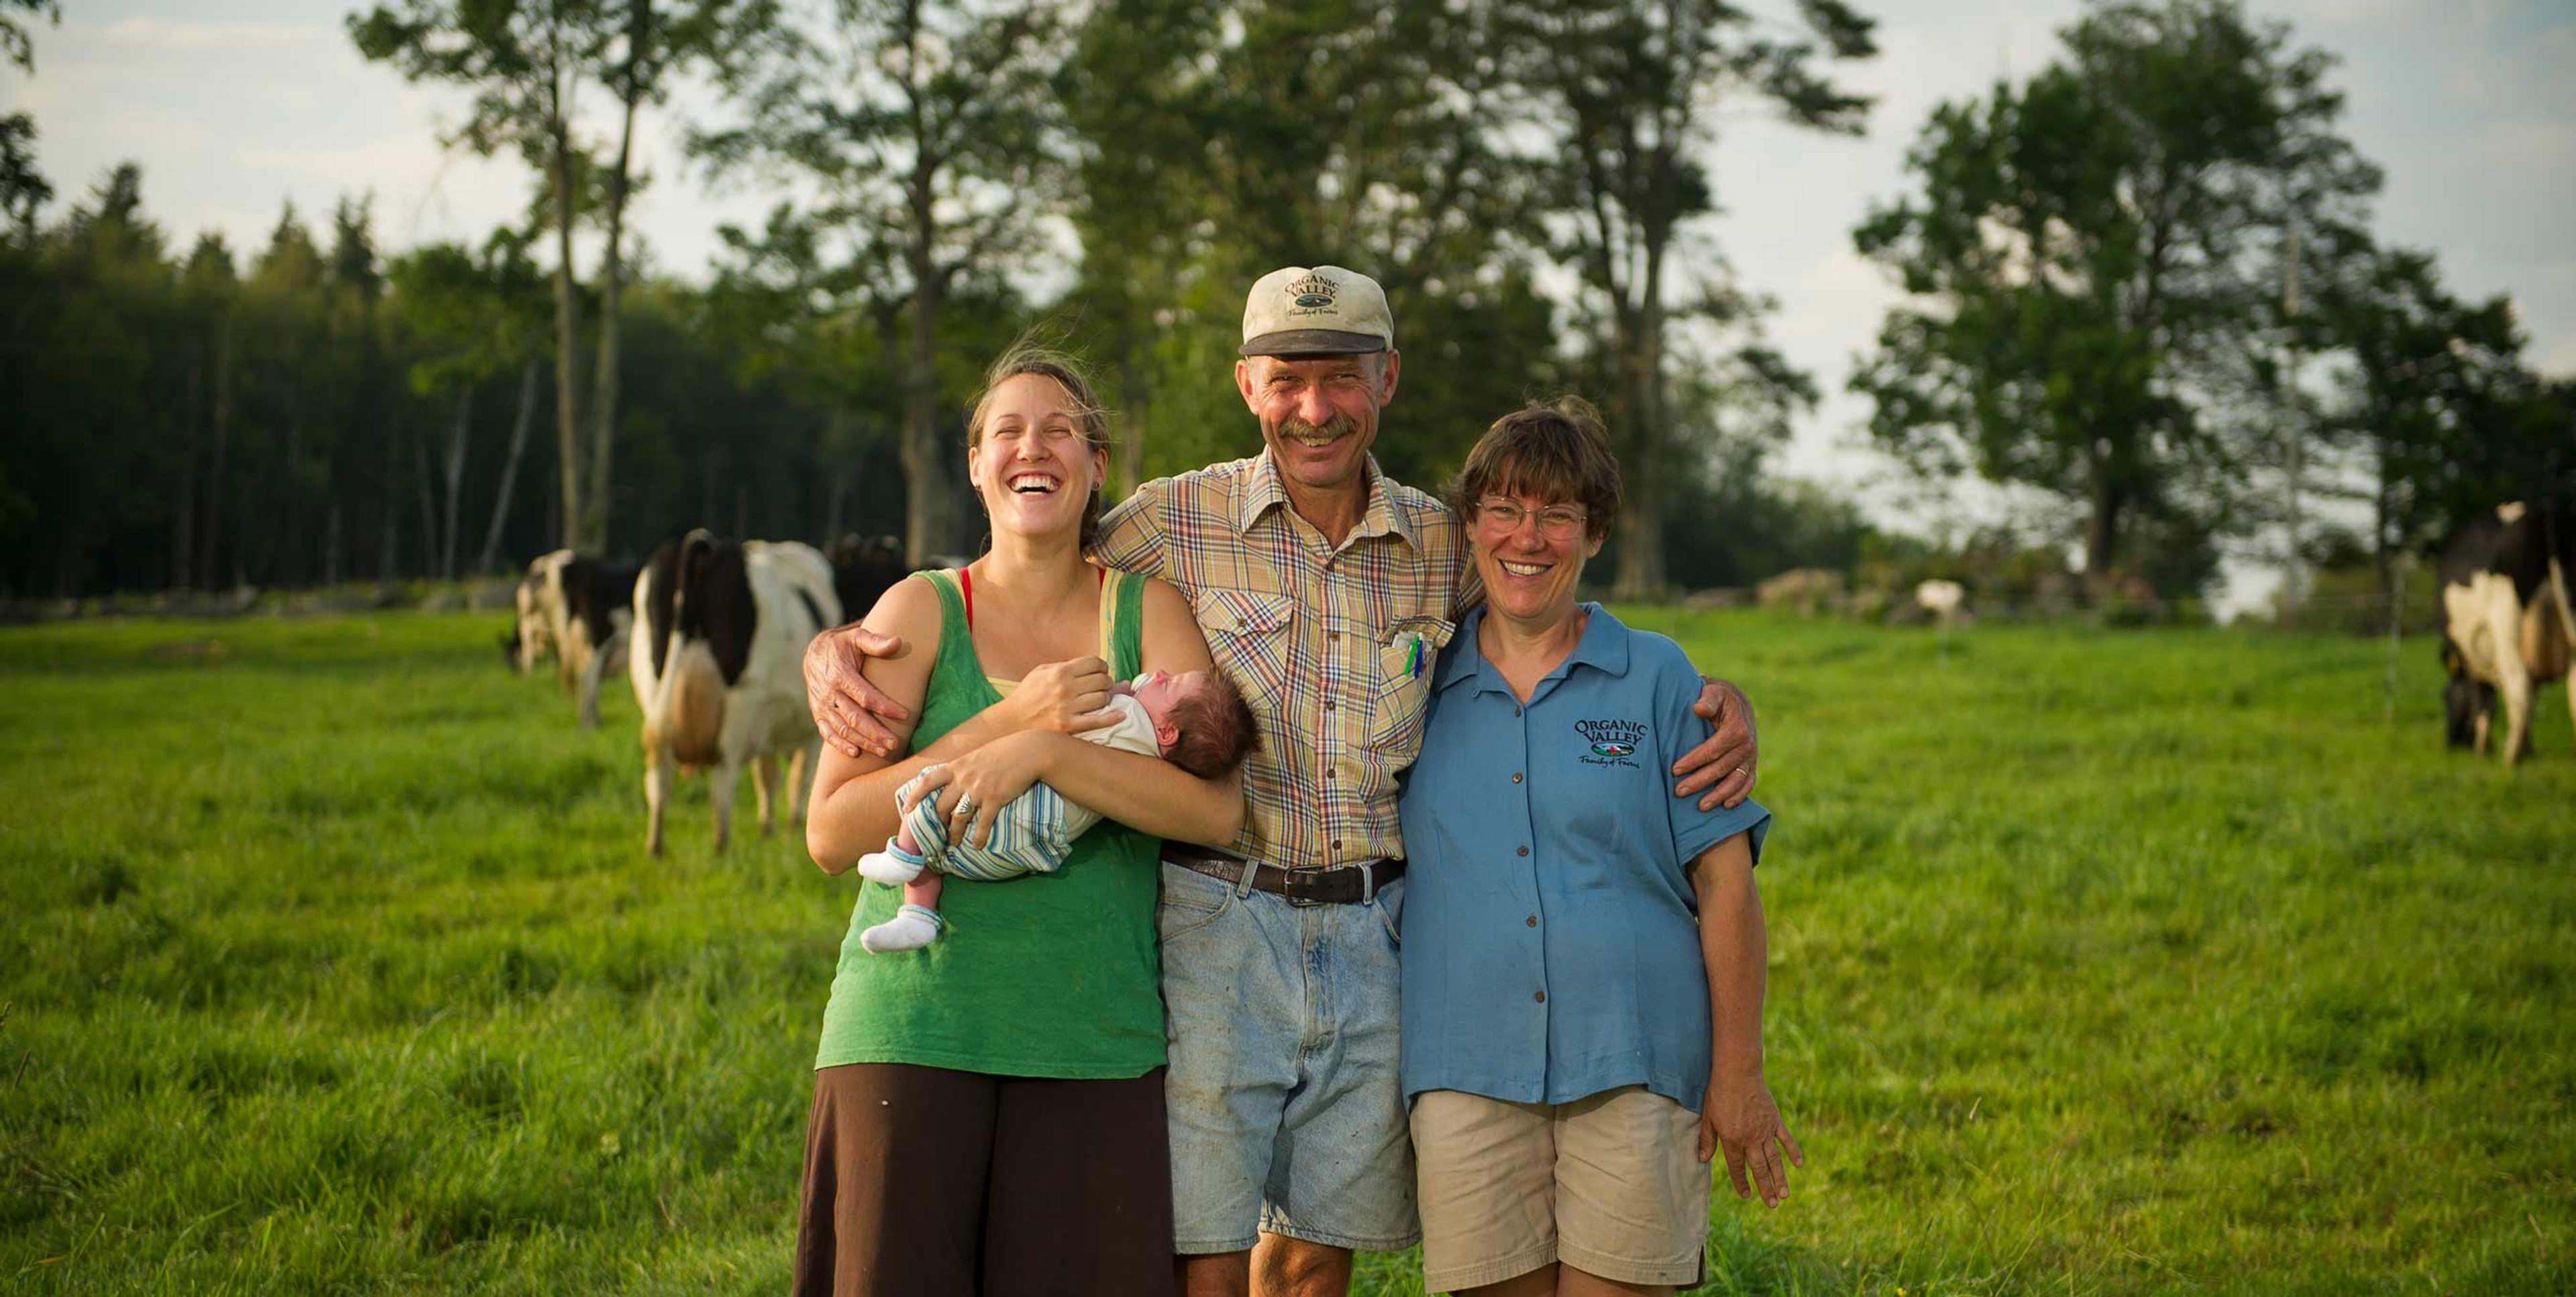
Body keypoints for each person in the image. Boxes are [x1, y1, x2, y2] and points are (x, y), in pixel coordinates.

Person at [802, 267, 1764, 1297]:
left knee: (1311, 1262)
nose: (1315, 408)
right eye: (1288, 379)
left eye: (1342, 377)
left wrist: (1704, 695)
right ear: (1246, 383)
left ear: (1385, 378)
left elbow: (1547, 598)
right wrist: (833, 646)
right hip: (1219, 913)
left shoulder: (1439, 540)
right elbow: (1020, 554)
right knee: (1205, 1260)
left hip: (1376, 930)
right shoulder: (1171, 522)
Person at [792, 347, 1244, 1297]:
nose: (1031, 447)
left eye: (1059, 429)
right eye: (1007, 429)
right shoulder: (919, 609)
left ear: (1096, 465)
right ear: (974, 463)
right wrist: (1009, 719)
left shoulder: (1146, 611)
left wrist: (1047, 754)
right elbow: (832, 832)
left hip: (1091, 1036)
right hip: (912, 1028)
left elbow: (1214, 806)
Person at [1399, 399, 1797, 1296]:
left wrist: (1739, 1072)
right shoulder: (1416, 680)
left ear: (1594, 533)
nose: (1527, 537)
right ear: (1470, 524)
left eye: (1556, 514)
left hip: (1636, 1063)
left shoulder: (1659, 676)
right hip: (1466, 1066)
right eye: (1504, 508)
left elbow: (1727, 886)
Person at [852, 667, 1260, 952]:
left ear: (1168, 731)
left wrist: (1116, 691)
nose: (1161, 674)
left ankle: (903, 856)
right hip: (1033, 845)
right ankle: (919, 917)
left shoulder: (1130, 716)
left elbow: (1075, 716)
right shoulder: (1152, 762)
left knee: (928, 792)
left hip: (1018, 814)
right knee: (942, 845)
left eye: (1170, 685)